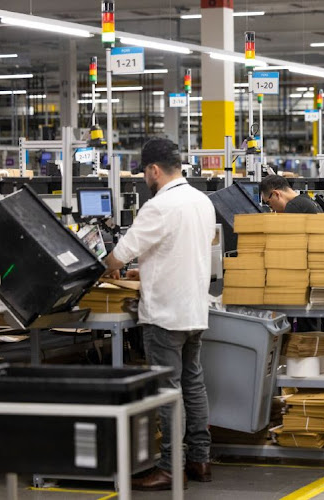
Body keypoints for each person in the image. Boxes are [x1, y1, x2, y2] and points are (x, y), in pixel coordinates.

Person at [103, 138, 216, 490]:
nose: (145, 180)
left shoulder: (159, 205)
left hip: (165, 314)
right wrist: (147, 270)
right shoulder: (202, 201)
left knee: (167, 390)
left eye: (144, 173)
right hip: (195, 309)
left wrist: (103, 266)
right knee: (193, 384)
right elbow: (181, 250)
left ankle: (170, 467)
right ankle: (199, 459)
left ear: (153, 170)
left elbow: (120, 254)